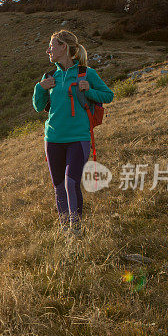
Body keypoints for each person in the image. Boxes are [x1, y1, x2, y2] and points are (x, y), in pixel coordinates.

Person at [33, 30, 114, 236]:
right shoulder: (49, 76)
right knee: (59, 185)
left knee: (71, 182)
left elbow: (108, 95)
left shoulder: (87, 73)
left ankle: (75, 228)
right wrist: (40, 88)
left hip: (78, 137)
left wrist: (89, 90)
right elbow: (38, 106)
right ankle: (64, 230)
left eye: (51, 46)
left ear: (63, 47)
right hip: (53, 139)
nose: (48, 50)